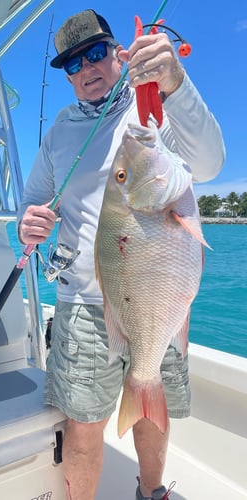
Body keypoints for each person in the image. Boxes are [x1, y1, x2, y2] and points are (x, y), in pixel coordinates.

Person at [17, 9, 225, 500]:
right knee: (84, 425)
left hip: (157, 296)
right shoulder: (58, 134)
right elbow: (31, 202)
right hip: (85, 305)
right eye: (72, 64)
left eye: (94, 53)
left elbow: (210, 163)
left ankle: (152, 493)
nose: (87, 69)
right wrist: (28, 223)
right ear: (67, 76)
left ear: (117, 52)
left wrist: (175, 82)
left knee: (153, 413)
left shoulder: (151, 110)